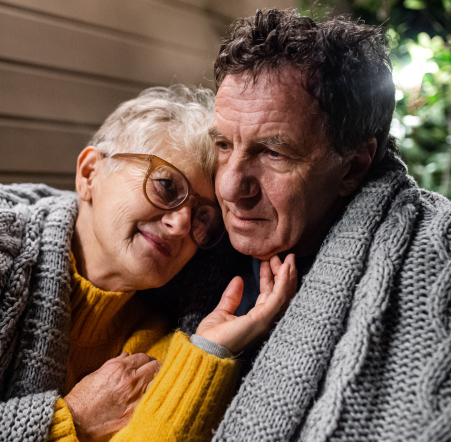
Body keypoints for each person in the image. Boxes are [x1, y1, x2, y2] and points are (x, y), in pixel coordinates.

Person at [0, 85, 296, 442]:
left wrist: (209, 351)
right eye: (165, 186)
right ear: (89, 174)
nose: (181, 224)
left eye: (203, 216)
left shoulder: (155, 332)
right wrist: (70, 420)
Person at [165, 9, 451, 441]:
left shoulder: (435, 256)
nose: (228, 186)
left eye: (273, 153)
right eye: (223, 144)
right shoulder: (186, 228)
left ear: (353, 165)